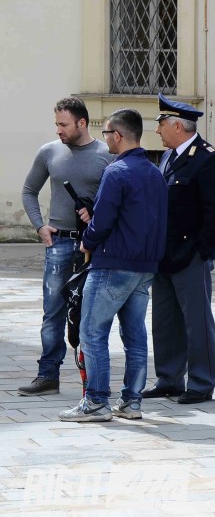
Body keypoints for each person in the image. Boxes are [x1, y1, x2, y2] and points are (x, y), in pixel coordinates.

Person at [57, 110, 167, 421]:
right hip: (145, 266)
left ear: (117, 136)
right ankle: (132, 402)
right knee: (135, 335)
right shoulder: (155, 172)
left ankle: (96, 402)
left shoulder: (116, 172)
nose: (105, 139)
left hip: (112, 264)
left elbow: (103, 220)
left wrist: (87, 240)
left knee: (92, 332)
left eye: (106, 134)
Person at [19, 97, 113, 396]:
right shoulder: (49, 152)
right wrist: (39, 226)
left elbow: (115, 200)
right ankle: (47, 375)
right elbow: (29, 190)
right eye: (56, 124)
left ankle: (93, 379)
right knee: (53, 311)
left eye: (63, 124)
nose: (58, 130)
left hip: (93, 245)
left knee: (92, 312)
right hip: (58, 242)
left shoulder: (106, 154)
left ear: (81, 123)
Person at [143, 94, 215, 404]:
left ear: (177, 126)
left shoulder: (208, 158)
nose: (157, 130)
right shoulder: (168, 157)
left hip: (191, 254)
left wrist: (202, 251)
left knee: (197, 322)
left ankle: (202, 382)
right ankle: (169, 378)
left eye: (161, 124)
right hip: (164, 253)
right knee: (165, 321)